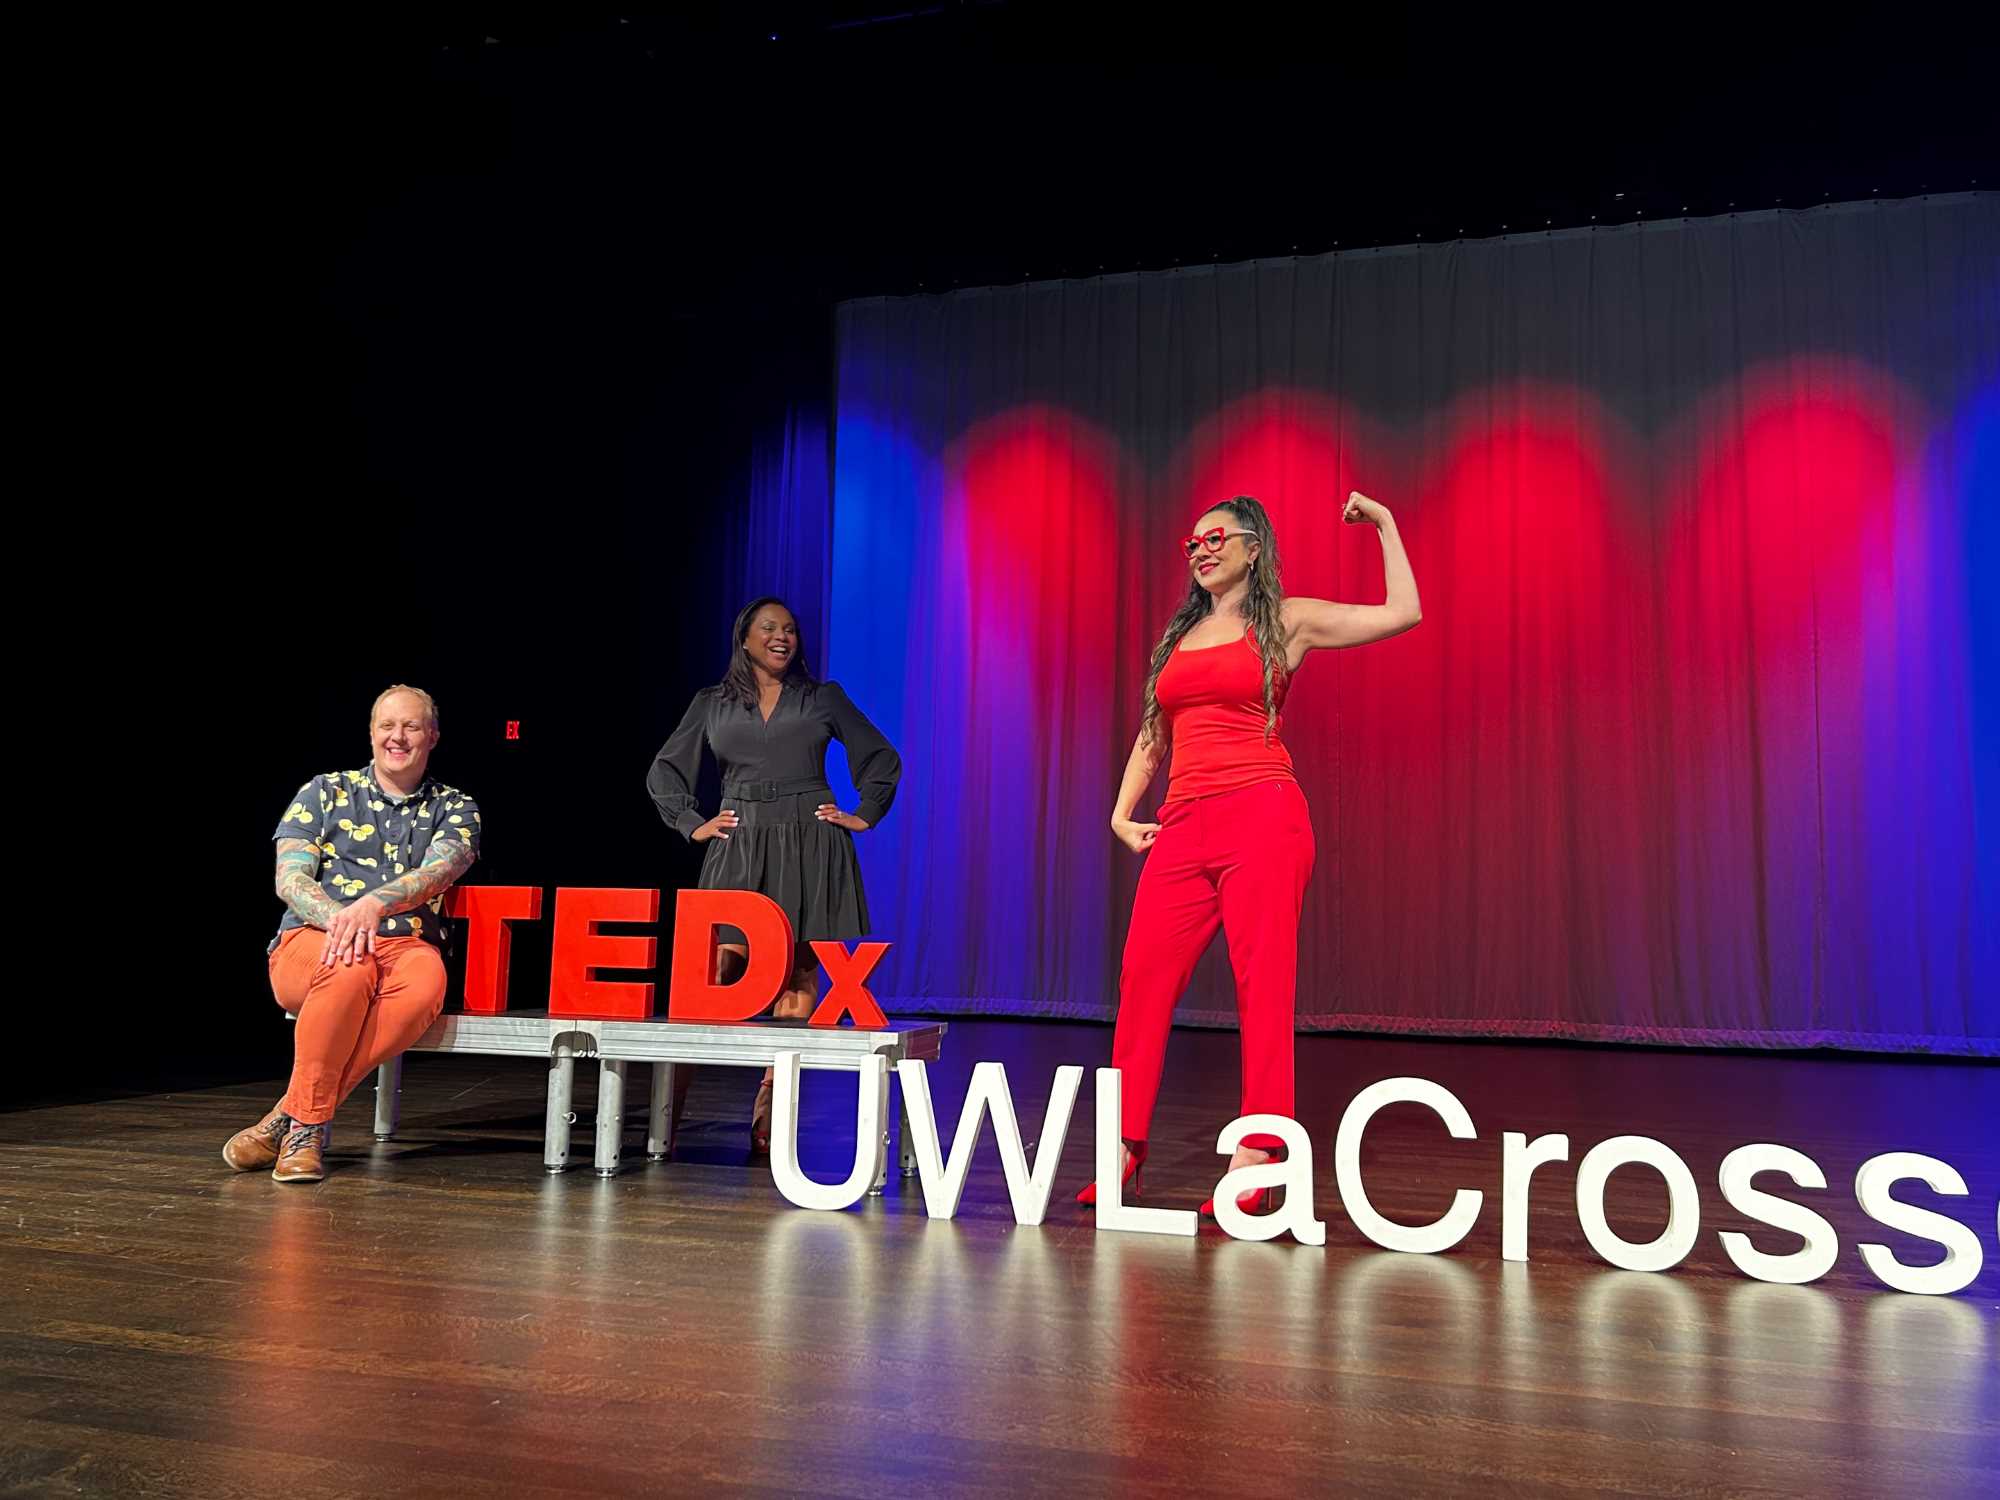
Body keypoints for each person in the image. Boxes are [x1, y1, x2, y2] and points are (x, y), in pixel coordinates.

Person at [1080, 492, 1421, 1216]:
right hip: (1183, 826)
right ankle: (1124, 1144)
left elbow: (1402, 613)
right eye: (1191, 542)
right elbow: (1155, 734)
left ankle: (1259, 1153)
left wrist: (1386, 525)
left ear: (1252, 547)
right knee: (1142, 980)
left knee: (1261, 988)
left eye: (1215, 538)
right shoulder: (1178, 638)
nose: (1200, 549)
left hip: (1262, 817)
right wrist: (1120, 811)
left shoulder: (1286, 621)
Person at [647, 597, 901, 1151]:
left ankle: (770, 1107)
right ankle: (668, 1109)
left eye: (789, 629)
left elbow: (880, 756)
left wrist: (864, 811)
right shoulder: (711, 703)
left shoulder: (821, 697)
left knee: (798, 973)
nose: (781, 636)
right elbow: (665, 770)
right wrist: (692, 823)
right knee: (713, 973)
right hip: (739, 839)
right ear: (745, 638)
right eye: (769, 628)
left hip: (809, 839)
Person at [224, 685, 481, 1183]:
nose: (397, 737)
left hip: (405, 944)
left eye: (410, 726)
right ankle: (306, 1135)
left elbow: (441, 869)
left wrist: (373, 905)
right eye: (387, 725)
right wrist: (341, 917)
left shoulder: (456, 807)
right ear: (370, 732)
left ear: (432, 736)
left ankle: (290, 1115)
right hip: (315, 940)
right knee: (348, 967)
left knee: (427, 985)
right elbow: (290, 877)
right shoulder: (324, 791)